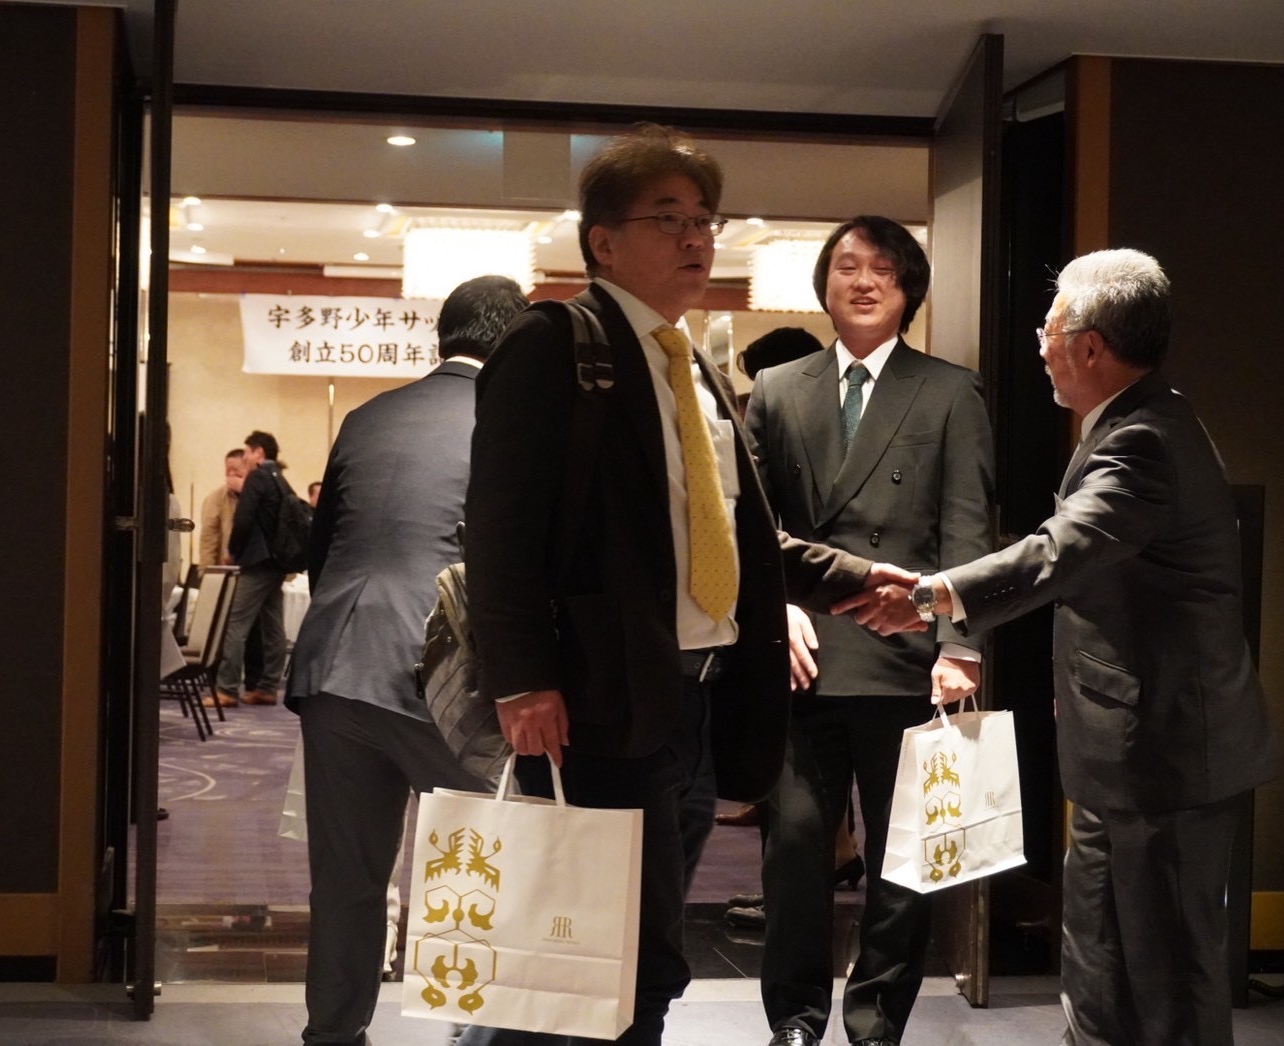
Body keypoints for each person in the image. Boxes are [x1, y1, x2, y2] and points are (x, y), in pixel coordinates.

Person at [459, 125, 911, 1046]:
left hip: (695, 705)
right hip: (597, 700)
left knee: (639, 948)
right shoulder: (554, 344)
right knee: (600, 953)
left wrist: (859, 579)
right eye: (667, 219)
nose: (696, 238)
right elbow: (499, 529)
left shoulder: (692, 364)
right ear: (602, 241)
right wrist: (521, 677)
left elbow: (738, 536)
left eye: (704, 220)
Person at [843, 248, 1280, 1046]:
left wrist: (934, 595)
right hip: (1125, 751)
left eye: (1047, 327)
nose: (1038, 344)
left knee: (1167, 979)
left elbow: (1057, 551)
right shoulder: (1132, 421)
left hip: (1167, 757)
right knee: (1098, 962)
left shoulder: (1144, 439)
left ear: (1089, 345)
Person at [744, 216, 995, 1046]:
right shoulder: (777, 387)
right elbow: (751, 528)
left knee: (904, 855)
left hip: (905, 655)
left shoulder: (949, 390)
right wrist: (776, 608)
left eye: (881, 269)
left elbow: (966, 530)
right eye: (846, 266)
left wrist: (960, 645)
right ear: (823, 284)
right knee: (793, 847)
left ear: (908, 288)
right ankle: (794, 1018)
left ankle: (877, 1016)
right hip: (801, 652)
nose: (861, 281)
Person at [286, 274, 530, 1046]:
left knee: (347, 878)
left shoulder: (368, 414)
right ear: (514, 344)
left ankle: (333, 1034)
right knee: (491, 863)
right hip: (443, 672)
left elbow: (322, 549)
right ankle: (478, 1032)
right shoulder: (509, 419)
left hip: (335, 665)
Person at [217, 430, 288, 706]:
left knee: (236, 623)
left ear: (259, 452)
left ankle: (226, 688)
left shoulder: (258, 477)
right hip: (277, 563)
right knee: (273, 627)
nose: (245, 457)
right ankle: (268, 687)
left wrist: (233, 551)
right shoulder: (280, 479)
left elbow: (244, 519)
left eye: (247, 451)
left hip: (257, 561)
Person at [198, 447, 245, 571]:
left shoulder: (259, 495)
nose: (231, 474)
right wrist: (205, 572)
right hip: (225, 568)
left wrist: (245, 490)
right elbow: (208, 540)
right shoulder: (215, 499)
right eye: (228, 470)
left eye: (236, 470)